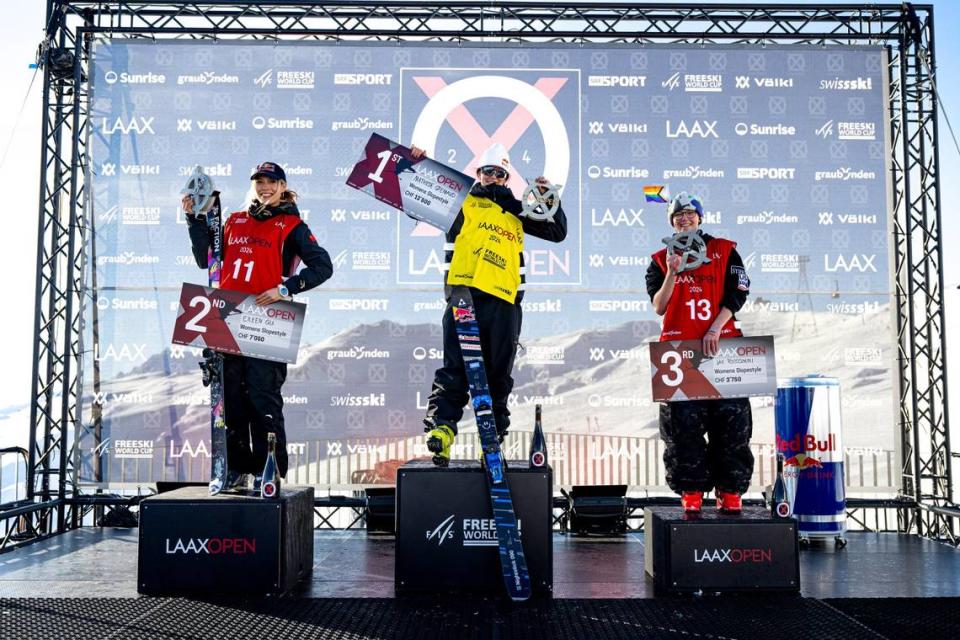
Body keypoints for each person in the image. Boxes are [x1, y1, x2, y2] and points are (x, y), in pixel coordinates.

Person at [410, 142, 567, 466]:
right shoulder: (461, 202)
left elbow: (557, 232)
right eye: (488, 171)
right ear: (478, 173)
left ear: (507, 178)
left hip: (504, 300)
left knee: (497, 375)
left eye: (500, 173)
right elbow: (415, 199)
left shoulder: (519, 211)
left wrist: (547, 196)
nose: (493, 177)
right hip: (464, 293)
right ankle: (442, 430)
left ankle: (491, 439)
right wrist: (419, 166)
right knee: (456, 368)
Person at [182, 161, 333, 489]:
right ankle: (234, 469)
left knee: (263, 399)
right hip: (227, 315)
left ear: (282, 185)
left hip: (268, 319)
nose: (264, 187)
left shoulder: (291, 224)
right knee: (230, 398)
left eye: (271, 182)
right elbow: (205, 259)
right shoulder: (234, 220)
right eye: (259, 181)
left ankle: (270, 469)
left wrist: (285, 288)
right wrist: (194, 219)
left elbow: (323, 266)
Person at [645, 192, 753, 513]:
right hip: (678, 351)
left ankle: (730, 491)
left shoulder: (725, 250)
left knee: (732, 426)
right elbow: (659, 306)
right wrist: (672, 272)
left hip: (723, 346)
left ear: (700, 218)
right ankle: (690, 492)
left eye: (691, 213)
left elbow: (739, 292)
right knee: (682, 430)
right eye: (678, 215)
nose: (685, 218)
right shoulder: (659, 259)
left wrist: (716, 327)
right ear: (671, 222)